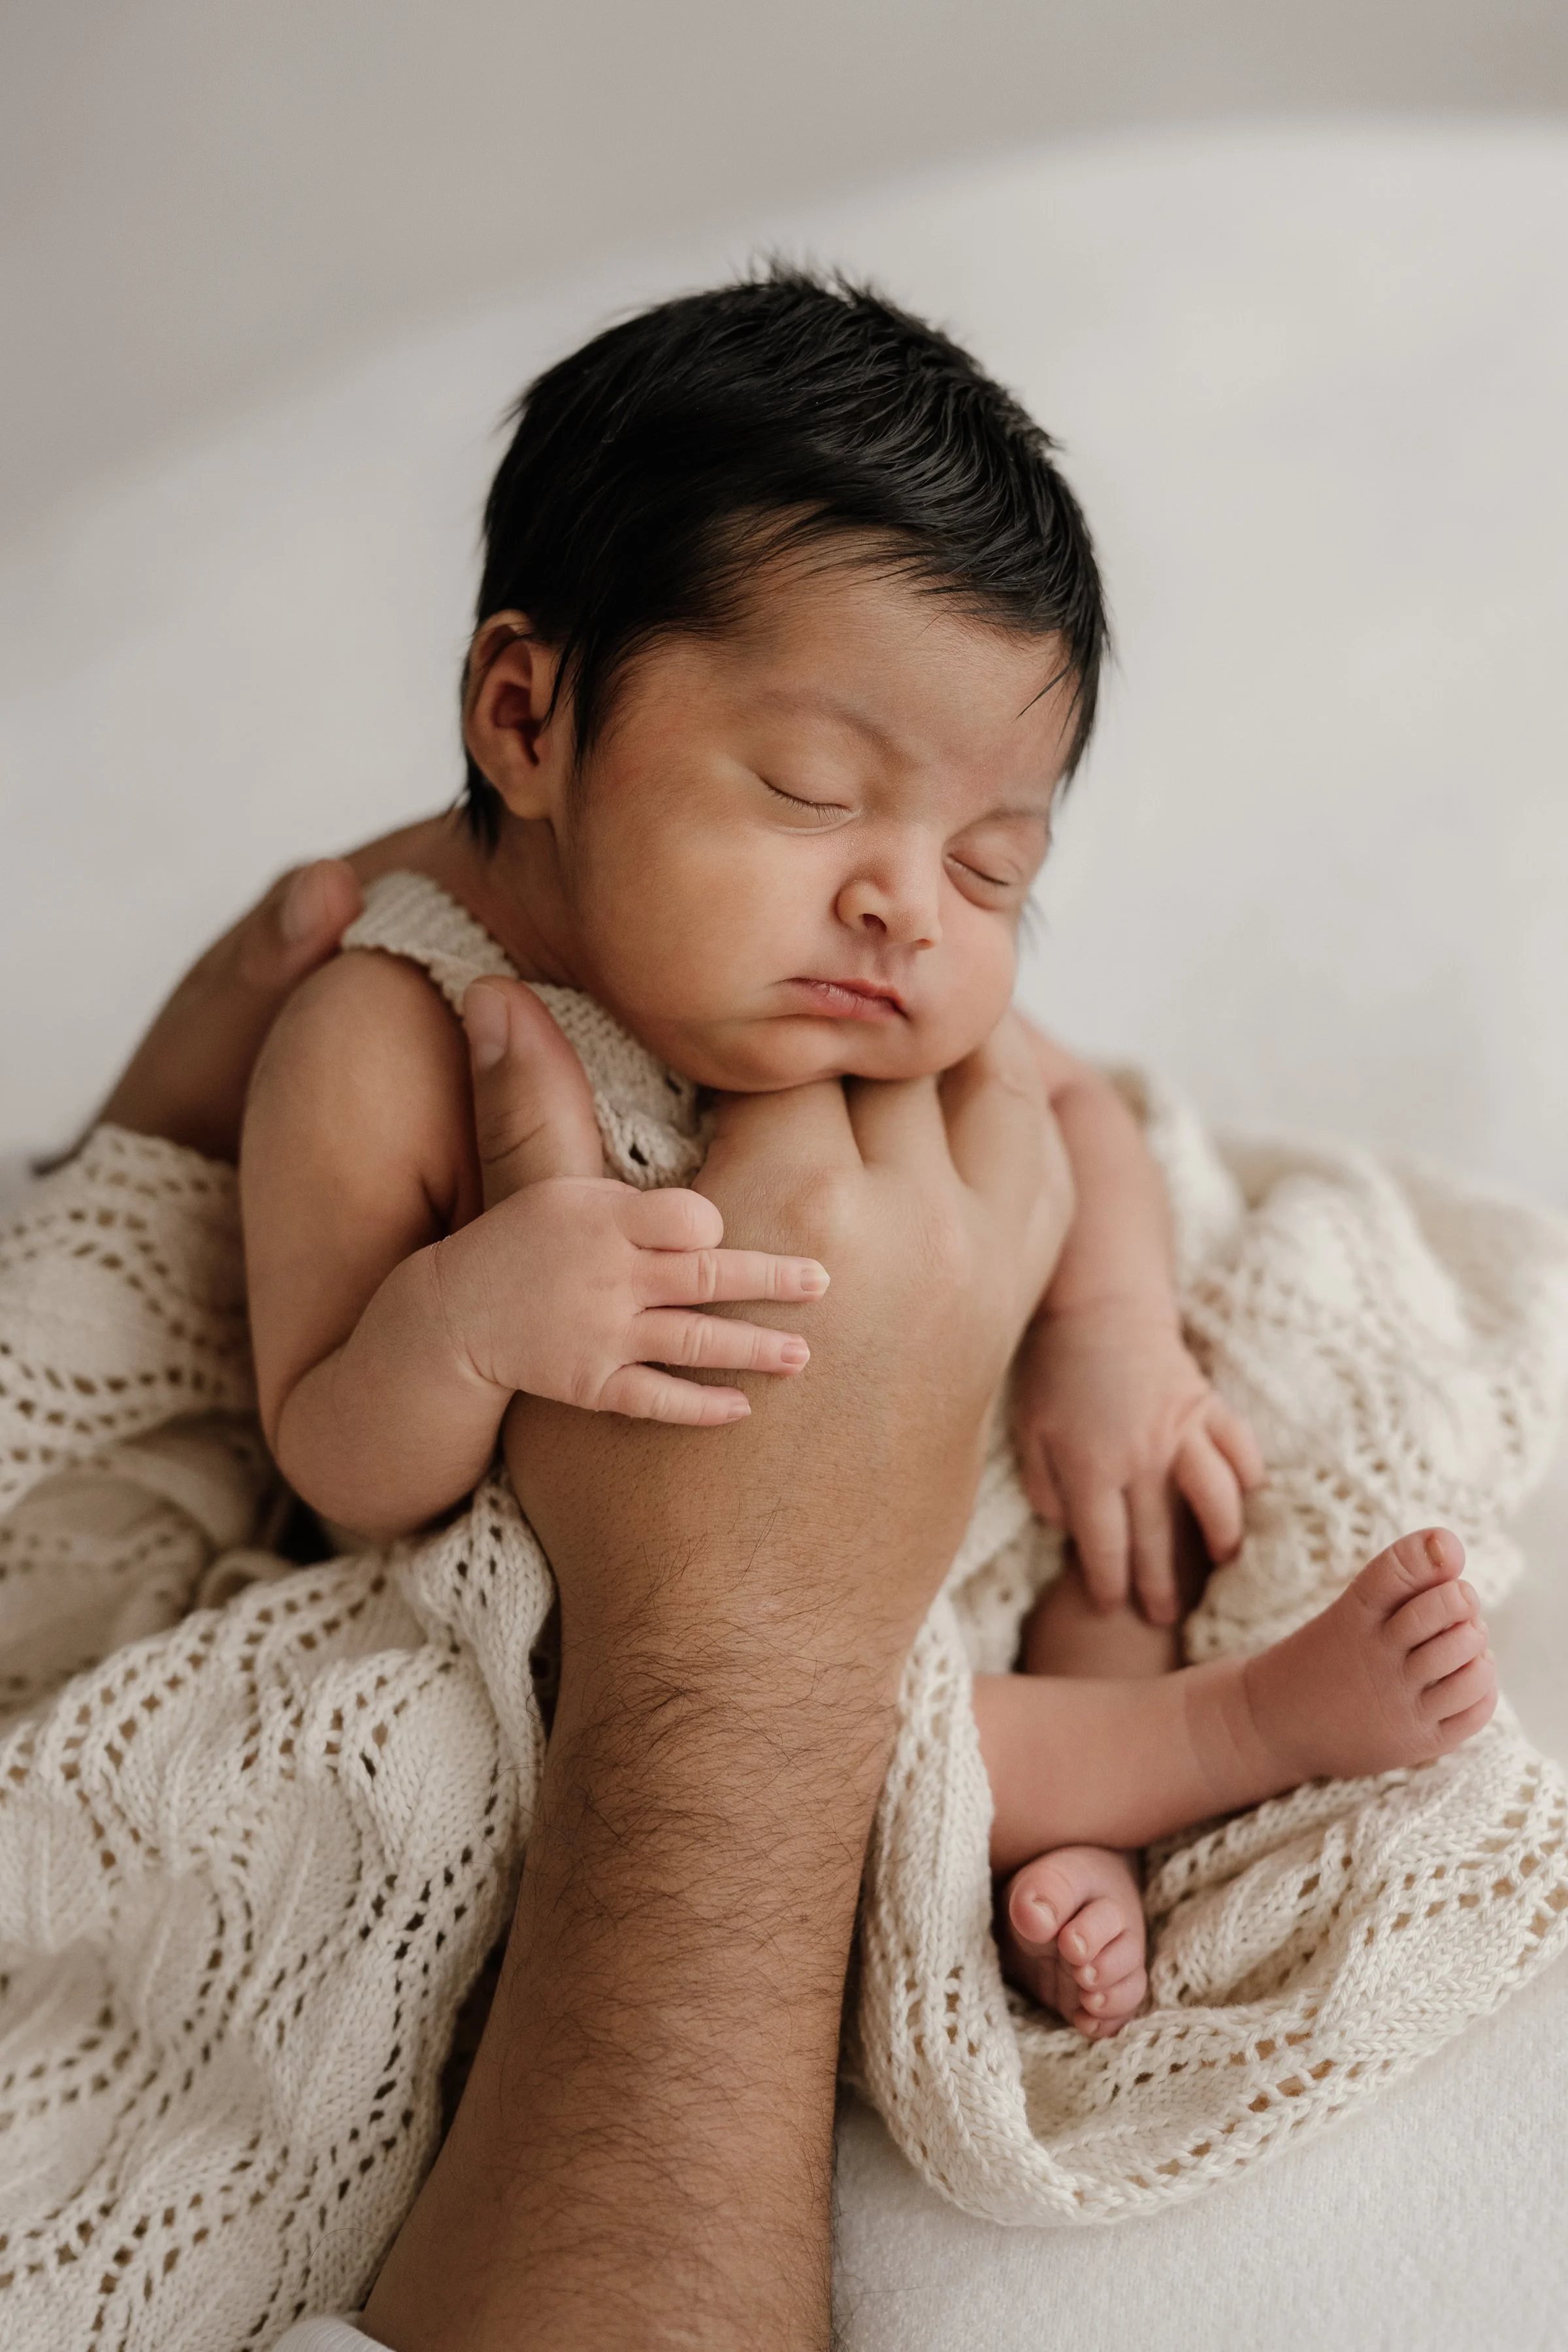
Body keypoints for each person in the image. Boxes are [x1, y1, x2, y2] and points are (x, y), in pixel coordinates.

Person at [237, 272, 1495, 2047]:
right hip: (650, 1628)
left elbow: (1084, 1119)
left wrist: (1109, 1335)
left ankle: (1083, 1821)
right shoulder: (392, 1035)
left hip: (947, 1469)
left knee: (1126, 1520)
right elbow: (325, 1460)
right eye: (818, 792)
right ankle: (1222, 1743)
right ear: (527, 718)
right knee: (844, 1709)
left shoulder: (891, 993)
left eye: (994, 867)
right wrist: (468, 1322)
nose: (909, 906)